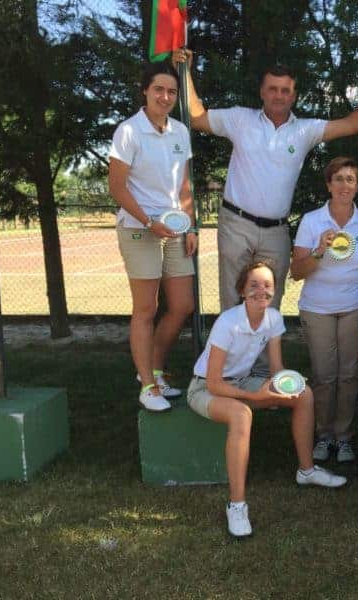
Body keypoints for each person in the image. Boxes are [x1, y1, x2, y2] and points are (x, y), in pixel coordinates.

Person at [173, 48, 358, 312]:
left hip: (276, 232)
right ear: (262, 92)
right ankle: (231, 342)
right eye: (272, 89)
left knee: (270, 305)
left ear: (293, 96)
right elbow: (197, 118)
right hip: (236, 224)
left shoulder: (305, 130)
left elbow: (351, 124)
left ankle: (266, 342)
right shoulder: (240, 119)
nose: (279, 95)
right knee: (233, 302)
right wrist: (185, 72)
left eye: (285, 90)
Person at [186, 260, 347, 537]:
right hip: (205, 389)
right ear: (242, 291)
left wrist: (290, 382)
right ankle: (237, 505)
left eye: (267, 285)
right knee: (242, 414)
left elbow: (276, 368)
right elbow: (214, 382)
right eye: (254, 285)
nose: (261, 290)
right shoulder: (228, 322)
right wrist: (254, 395)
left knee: (304, 394)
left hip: (242, 382)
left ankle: (306, 471)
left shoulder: (273, 318)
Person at [290, 157, 358, 464]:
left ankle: (345, 437)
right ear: (328, 185)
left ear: (357, 186)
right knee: (324, 376)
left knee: (349, 374)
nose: (344, 185)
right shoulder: (312, 221)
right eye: (338, 179)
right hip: (318, 307)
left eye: (350, 179)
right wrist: (319, 251)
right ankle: (324, 436)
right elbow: (297, 271)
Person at [108, 61, 197, 413]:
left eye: (172, 91)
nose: (165, 96)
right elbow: (117, 187)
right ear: (145, 90)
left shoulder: (180, 131)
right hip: (138, 228)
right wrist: (148, 222)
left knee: (183, 306)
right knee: (146, 309)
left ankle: (155, 371)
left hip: (174, 228)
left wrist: (190, 226)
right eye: (158, 89)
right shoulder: (128, 131)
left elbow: (184, 186)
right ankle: (147, 385)